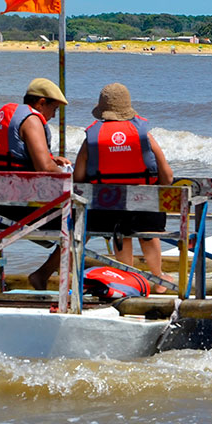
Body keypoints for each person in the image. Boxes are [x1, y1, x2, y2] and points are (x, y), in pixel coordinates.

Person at [73, 82, 174, 287]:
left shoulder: (92, 138)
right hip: (146, 211)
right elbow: (167, 176)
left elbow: (78, 177)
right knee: (147, 225)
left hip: (107, 212)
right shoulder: (143, 134)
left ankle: (130, 278)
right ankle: (159, 278)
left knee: (119, 228)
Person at [0, 77, 70, 290]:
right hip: (16, 210)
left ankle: (53, 277)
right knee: (80, 223)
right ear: (41, 103)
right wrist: (68, 175)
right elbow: (44, 169)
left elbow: (14, 155)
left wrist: (50, 157)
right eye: (54, 108)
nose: (54, 115)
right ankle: (44, 276)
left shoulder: (5, 116)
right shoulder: (32, 120)